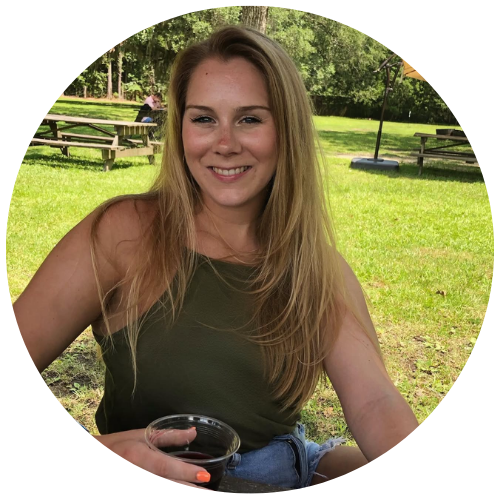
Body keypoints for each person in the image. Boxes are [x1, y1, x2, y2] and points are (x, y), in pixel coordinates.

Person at [14, 26, 419, 490]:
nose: (224, 143)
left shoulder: (316, 266)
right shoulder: (123, 233)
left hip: (283, 473)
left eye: (250, 119)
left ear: (286, 131)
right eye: (204, 118)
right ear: (180, 127)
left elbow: (375, 403)